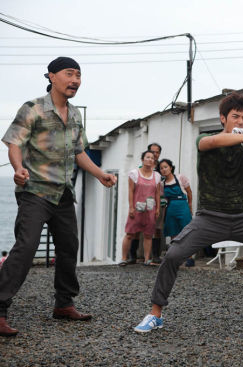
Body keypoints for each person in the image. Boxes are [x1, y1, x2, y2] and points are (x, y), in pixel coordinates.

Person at [134, 92, 243, 333]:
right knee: (173, 256)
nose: (240, 122)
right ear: (223, 119)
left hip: (242, 218)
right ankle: (155, 314)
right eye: (235, 117)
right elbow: (215, 142)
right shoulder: (205, 139)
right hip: (209, 218)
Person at [0, 57, 117, 337]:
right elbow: (14, 142)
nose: (75, 80)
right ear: (52, 76)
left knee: (68, 248)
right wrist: (18, 169)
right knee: (26, 247)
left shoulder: (75, 114)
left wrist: (100, 174)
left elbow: (79, 152)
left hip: (63, 192)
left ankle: (64, 303)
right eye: (69, 73)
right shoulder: (33, 109)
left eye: (79, 75)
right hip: (35, 190)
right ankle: (0, 307)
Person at [119, 150, 161, 266]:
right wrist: (131, 207)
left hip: (150, 209)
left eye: (152, 158)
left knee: (148, 234)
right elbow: (131, 191)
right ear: (142, 160)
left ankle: (147, 259)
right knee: (129, 233)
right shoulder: (134, 174)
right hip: (136, 209)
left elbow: (157, 193)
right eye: (147, 157)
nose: (150, 160)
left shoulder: (157, 176)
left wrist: (158, 209)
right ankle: (123, 258)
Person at [128, 143, 164, 264]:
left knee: (157, 229)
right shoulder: (142, 168)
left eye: (157, 152)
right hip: (142, 204)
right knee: (137, 230)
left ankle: (155, 255)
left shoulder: (163, 166)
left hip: (158, 203)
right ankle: (134, 255)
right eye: (152, 152)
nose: (154, 154)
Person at [158, 158, 194, 267]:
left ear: (171, 167)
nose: (164, 170)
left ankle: (190, 258)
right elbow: (162, 198)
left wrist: (190, 206)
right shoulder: (162, 184)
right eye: (161, 168)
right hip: (171, 208)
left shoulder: (180, 177)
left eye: (165, 167)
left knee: (186, 232)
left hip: (183, 205)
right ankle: (176, 257)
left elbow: (189, 192)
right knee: (173, 234)